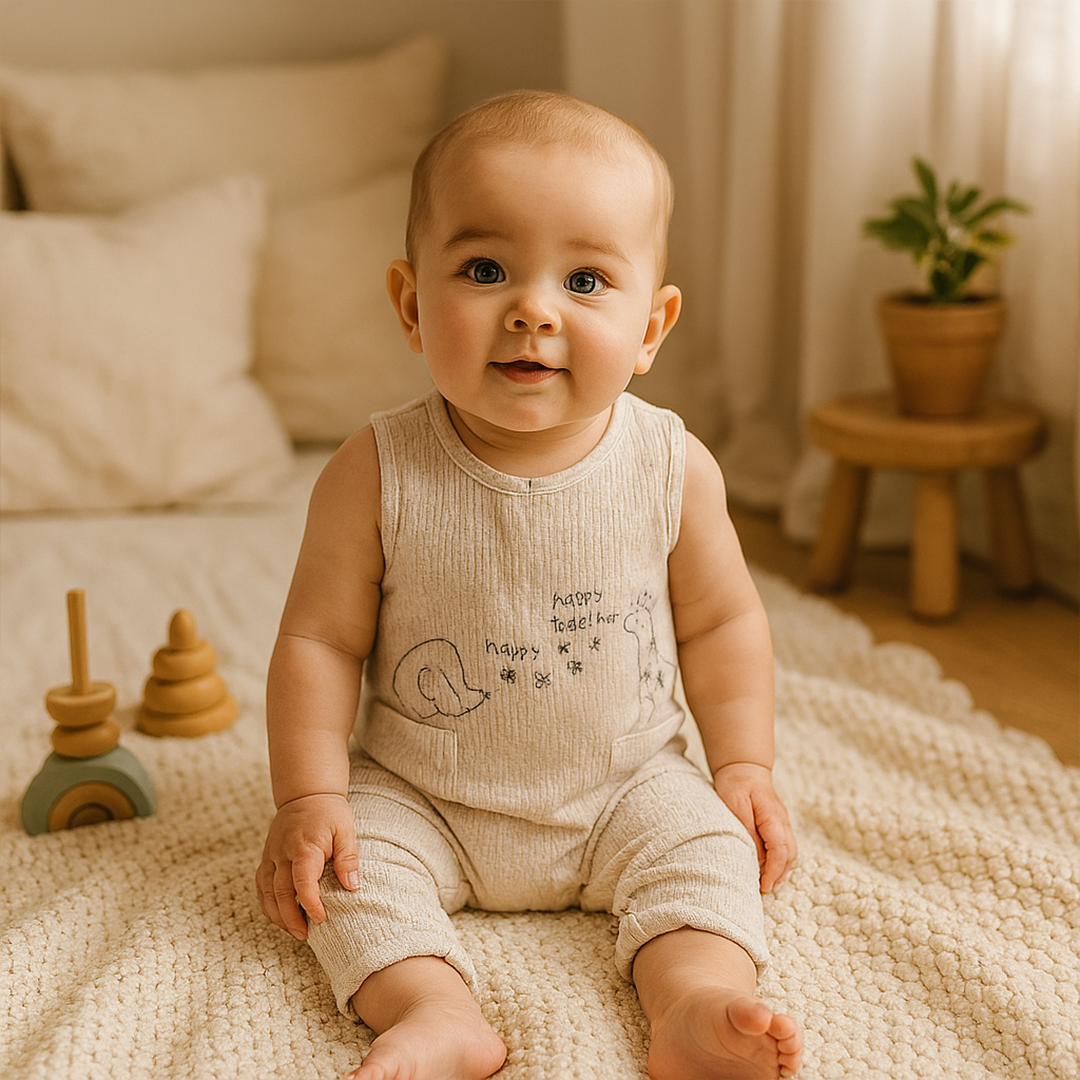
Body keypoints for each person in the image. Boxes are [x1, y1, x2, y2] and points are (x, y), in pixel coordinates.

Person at [256, 89, 804, 1080]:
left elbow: (722, 622)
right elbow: (318, 641)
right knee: (346, 876)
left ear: (652, 326)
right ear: (413, 305)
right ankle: (433, 1011)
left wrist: (744, 766)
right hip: (427, 797)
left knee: (708, 854)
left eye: (587, 278)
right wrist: (310, 793)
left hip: (626, 788)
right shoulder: (375, 470)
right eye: (484, 268)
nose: (533, 308)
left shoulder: (672, 466)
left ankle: (691, 1001)